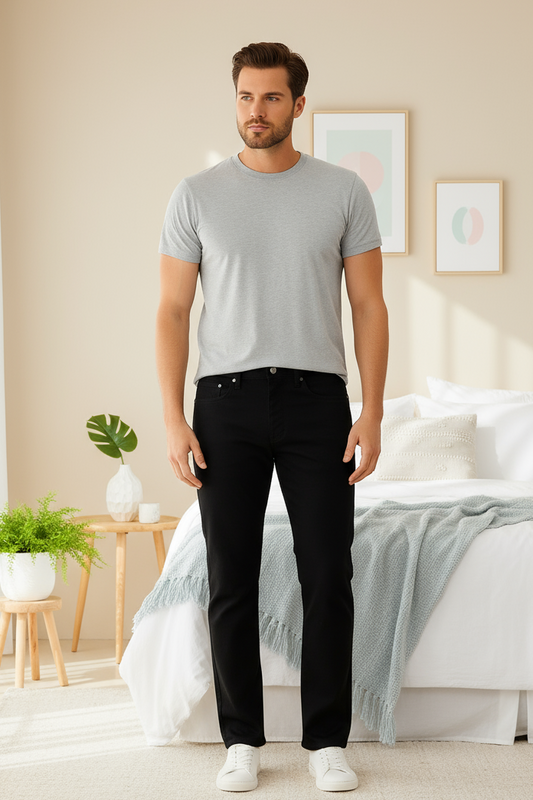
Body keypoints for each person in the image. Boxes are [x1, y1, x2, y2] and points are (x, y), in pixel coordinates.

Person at [155, 42, 388, 793]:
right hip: (223, 402)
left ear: (298, 104)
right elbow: (172, 310)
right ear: (236, 100)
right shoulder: (196, 194)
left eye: (272, 98)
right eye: (246, 97)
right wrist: (172, 418)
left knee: (327, 573)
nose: (256, 111)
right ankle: (241, 740)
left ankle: (326, 742)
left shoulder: (343, 191)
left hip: (318, 401)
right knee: (231, 576)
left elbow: (368, 305)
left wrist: (371, 410)